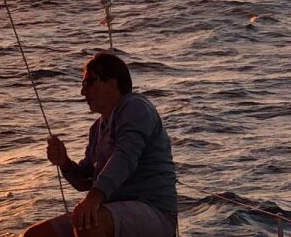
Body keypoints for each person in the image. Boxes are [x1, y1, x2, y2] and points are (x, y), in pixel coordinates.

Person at [22, 52, 177, 237]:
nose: (83, 92)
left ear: (111, 83)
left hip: (154, 210)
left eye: (88, 83)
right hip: (113, 209)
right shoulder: (97, 129)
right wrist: (65, 162)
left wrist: (94, 198)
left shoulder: (136, 107)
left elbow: (125, 158)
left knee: (88, 223)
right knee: (35, 235)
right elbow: (86, 181)